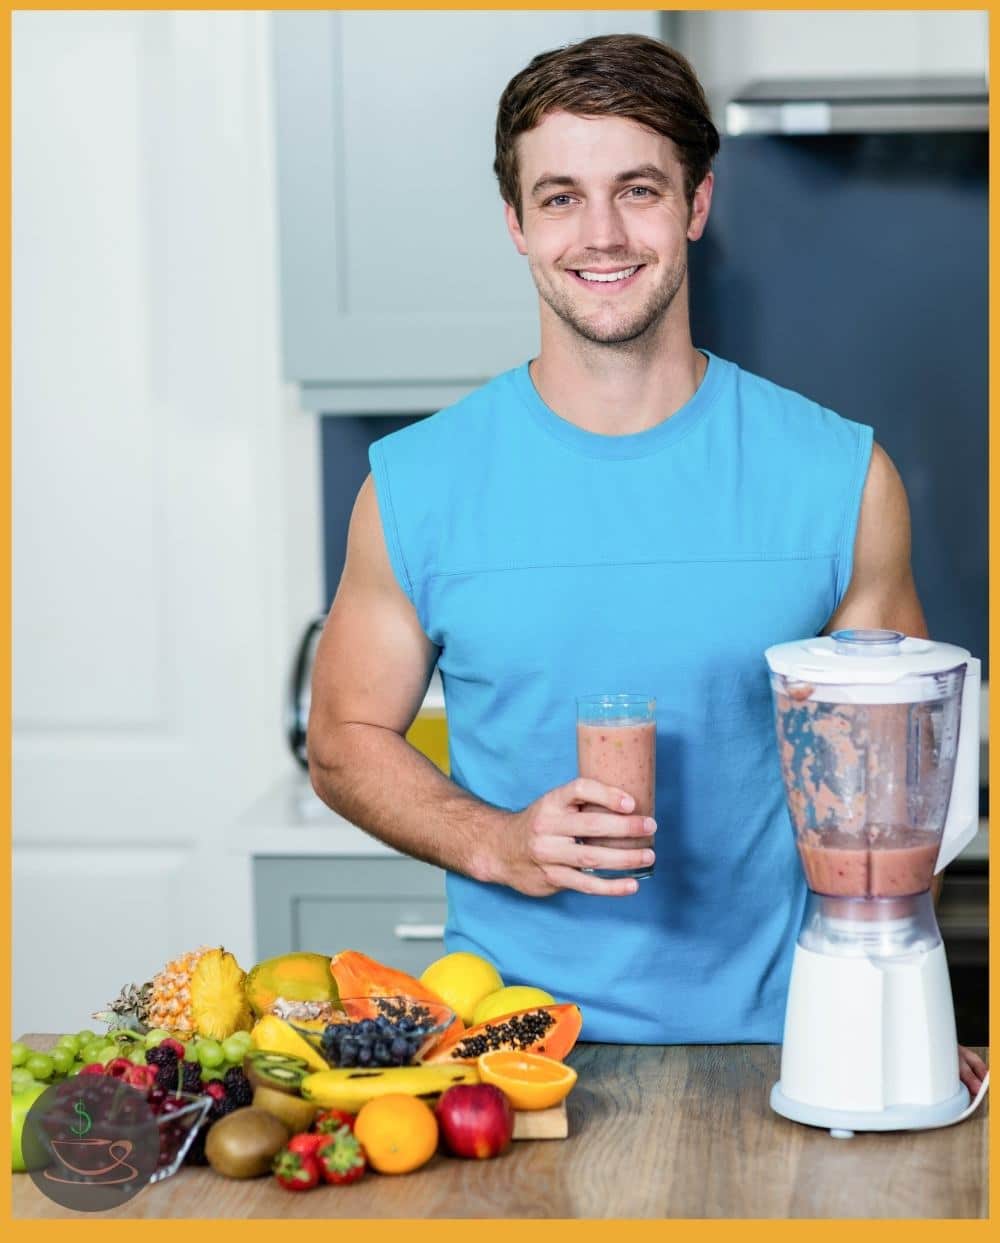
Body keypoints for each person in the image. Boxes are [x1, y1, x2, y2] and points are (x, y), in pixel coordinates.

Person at [307, 33, 985, 1096]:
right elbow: (343, 740)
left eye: (638, 189)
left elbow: (892, 793)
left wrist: (896, 1021)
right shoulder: (417, 485)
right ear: (517, 226)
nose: (604, 233)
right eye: (562, 197)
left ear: (695, 207)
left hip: (797, 1044)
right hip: (516, 1064)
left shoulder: (838, 475)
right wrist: (495, 840)